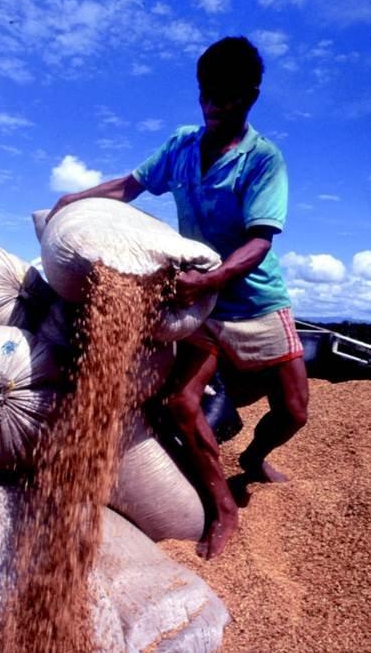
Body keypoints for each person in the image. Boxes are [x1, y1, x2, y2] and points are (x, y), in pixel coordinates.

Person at [47, 36, 308, 560]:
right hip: (198, 305)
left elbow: (259, 240)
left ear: (250, 96)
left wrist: (214, 278)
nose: (212, 107)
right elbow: (131, 186)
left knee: (295, 411)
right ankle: (223, 507)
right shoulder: (182, 146)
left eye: (225, 98)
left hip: (255, 299)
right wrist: (74, 198)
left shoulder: (263, 160)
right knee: (182, 404)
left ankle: (254, 457)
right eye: (205, 95)